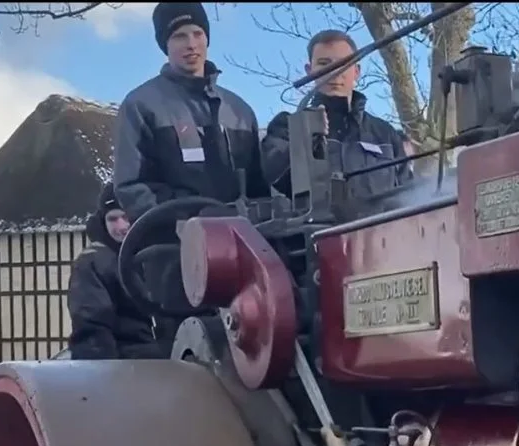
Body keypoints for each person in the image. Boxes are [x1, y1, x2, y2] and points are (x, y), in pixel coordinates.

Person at [113, 2, 270, 223]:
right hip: (173, 248)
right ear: (164, 44)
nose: (191, 44)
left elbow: (259, 186)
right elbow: (131, 186)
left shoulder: (240, 111)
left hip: (243, 243)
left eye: (198, 33)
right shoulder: (140, 106)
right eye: (179, 36)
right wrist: (187, 218)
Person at [261, 29, 412, 203]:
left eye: (344, 64)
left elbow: (408, 194)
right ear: (309, 71)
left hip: (383, 229)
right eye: (324, 64)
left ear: (356, 71)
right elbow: (272, 178)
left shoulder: (385, 133)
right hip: (318, 230)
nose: (335, 72)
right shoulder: (287, 127)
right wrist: (304, 140)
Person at [67, 184, 165, 360]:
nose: (121, 226)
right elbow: (91, 329)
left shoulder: (163, 256)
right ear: (102, 222)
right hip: (128, 364)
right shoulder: (93, 262)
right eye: (112, 219)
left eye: (126, 217)